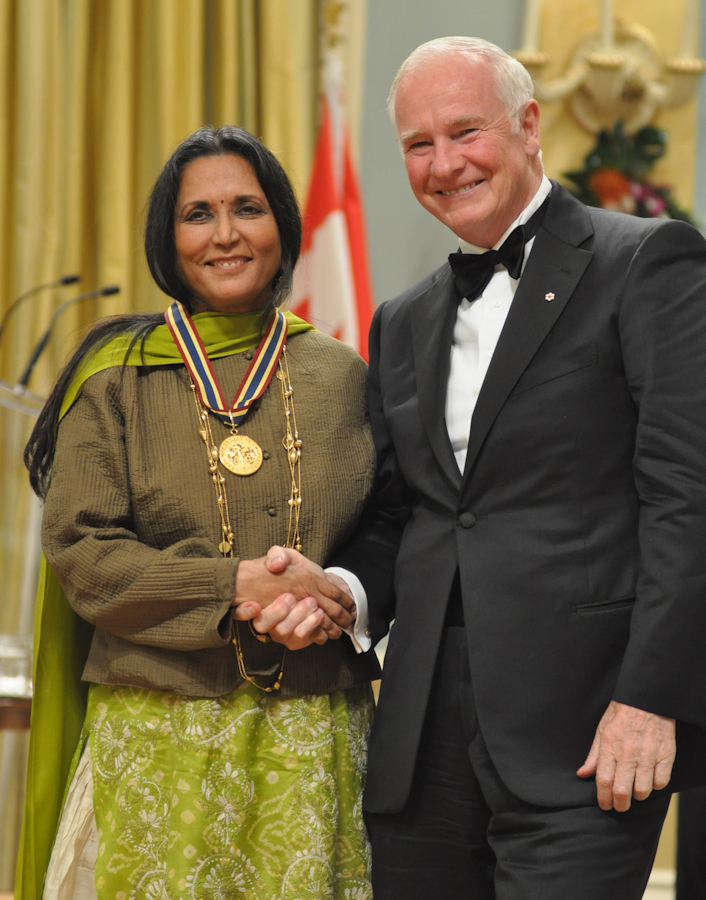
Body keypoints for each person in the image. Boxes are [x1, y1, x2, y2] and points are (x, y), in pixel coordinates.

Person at [277, 36, 706, 899]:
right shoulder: (402, 320)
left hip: (587, 731)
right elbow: (409, 515)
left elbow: (687, 496)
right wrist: (341, 591)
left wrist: (652, 698)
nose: (444, 164)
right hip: (423, 734)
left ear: (529, 126)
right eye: (418, 144)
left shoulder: (646, 262)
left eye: (465, 131)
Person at [17, 125, 380, 900]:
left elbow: (389, 533)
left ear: (283, 225)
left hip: (309, 735)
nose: (224, 234)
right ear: (166, 237)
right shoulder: (115, 375)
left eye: (247, 208)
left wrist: (338, 595)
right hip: (155, 731)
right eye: (197, 214)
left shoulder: (343, 376)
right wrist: (230, 588)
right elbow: (81, 550)